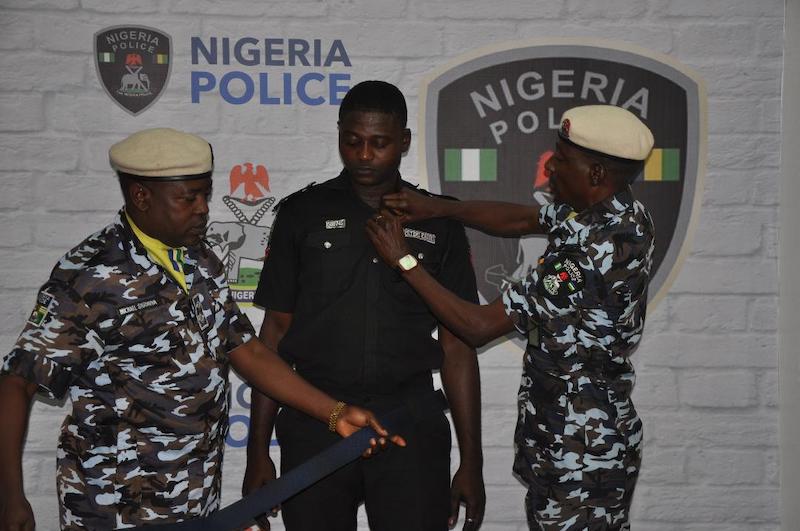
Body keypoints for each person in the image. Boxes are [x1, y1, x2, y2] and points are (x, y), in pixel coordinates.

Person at [0, 128, 401, 531]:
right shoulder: (90, 275)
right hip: (116, 507)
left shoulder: (201, 259)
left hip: (193, 499)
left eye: (205, 194)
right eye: (187, 197)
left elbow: (248, 350)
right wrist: (10, 495)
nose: (202, 209)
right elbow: (17, 383)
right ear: (141, 197)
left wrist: (335, 414)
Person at [366, 105, 656, 530]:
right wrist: (437, 208)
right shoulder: (615, 211)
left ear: (596, 173)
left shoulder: (587, 255)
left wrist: (403, 260)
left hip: (580, 452)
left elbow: (477, 326)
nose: (550, 169)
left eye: (561, 160)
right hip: (571, 433)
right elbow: (523, 218)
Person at [243, 80, 485, 531]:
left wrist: (472, 461)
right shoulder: (302, 213)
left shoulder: (438, 220)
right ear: (339, 136)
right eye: (353, 142)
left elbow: (457, 348)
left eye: (379, 143)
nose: (364, 155)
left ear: (405, 142)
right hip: (317, 423)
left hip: (409, 427)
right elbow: (272, 336)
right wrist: (257, 450)